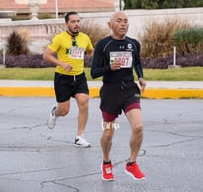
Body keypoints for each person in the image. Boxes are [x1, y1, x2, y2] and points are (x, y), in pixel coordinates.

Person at [90, 11, 147, 181]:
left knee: (138, 127)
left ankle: (132, 164)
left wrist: (141, 77)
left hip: (130, 89)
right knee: (108, 133)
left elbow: (137, 62)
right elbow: (93, 72)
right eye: (119, 21)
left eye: (126, 21)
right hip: (110, 92)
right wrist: (109, 68)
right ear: (110, 25)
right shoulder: (103, 45)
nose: (123, 24)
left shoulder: (134, 44)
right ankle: (106, 163)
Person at [43, 11, 94, 147]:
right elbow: (46, 55)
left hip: (79, 77)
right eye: (73, 22)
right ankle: (55, 112)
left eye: (78, 21)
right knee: (64, 111)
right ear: (66, 24)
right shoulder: (60, 38)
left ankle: (79, 137)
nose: (76, 24)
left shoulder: (84, 38)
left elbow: (91, 51)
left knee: (84, 102)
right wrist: (62, 64)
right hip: (63, 78)